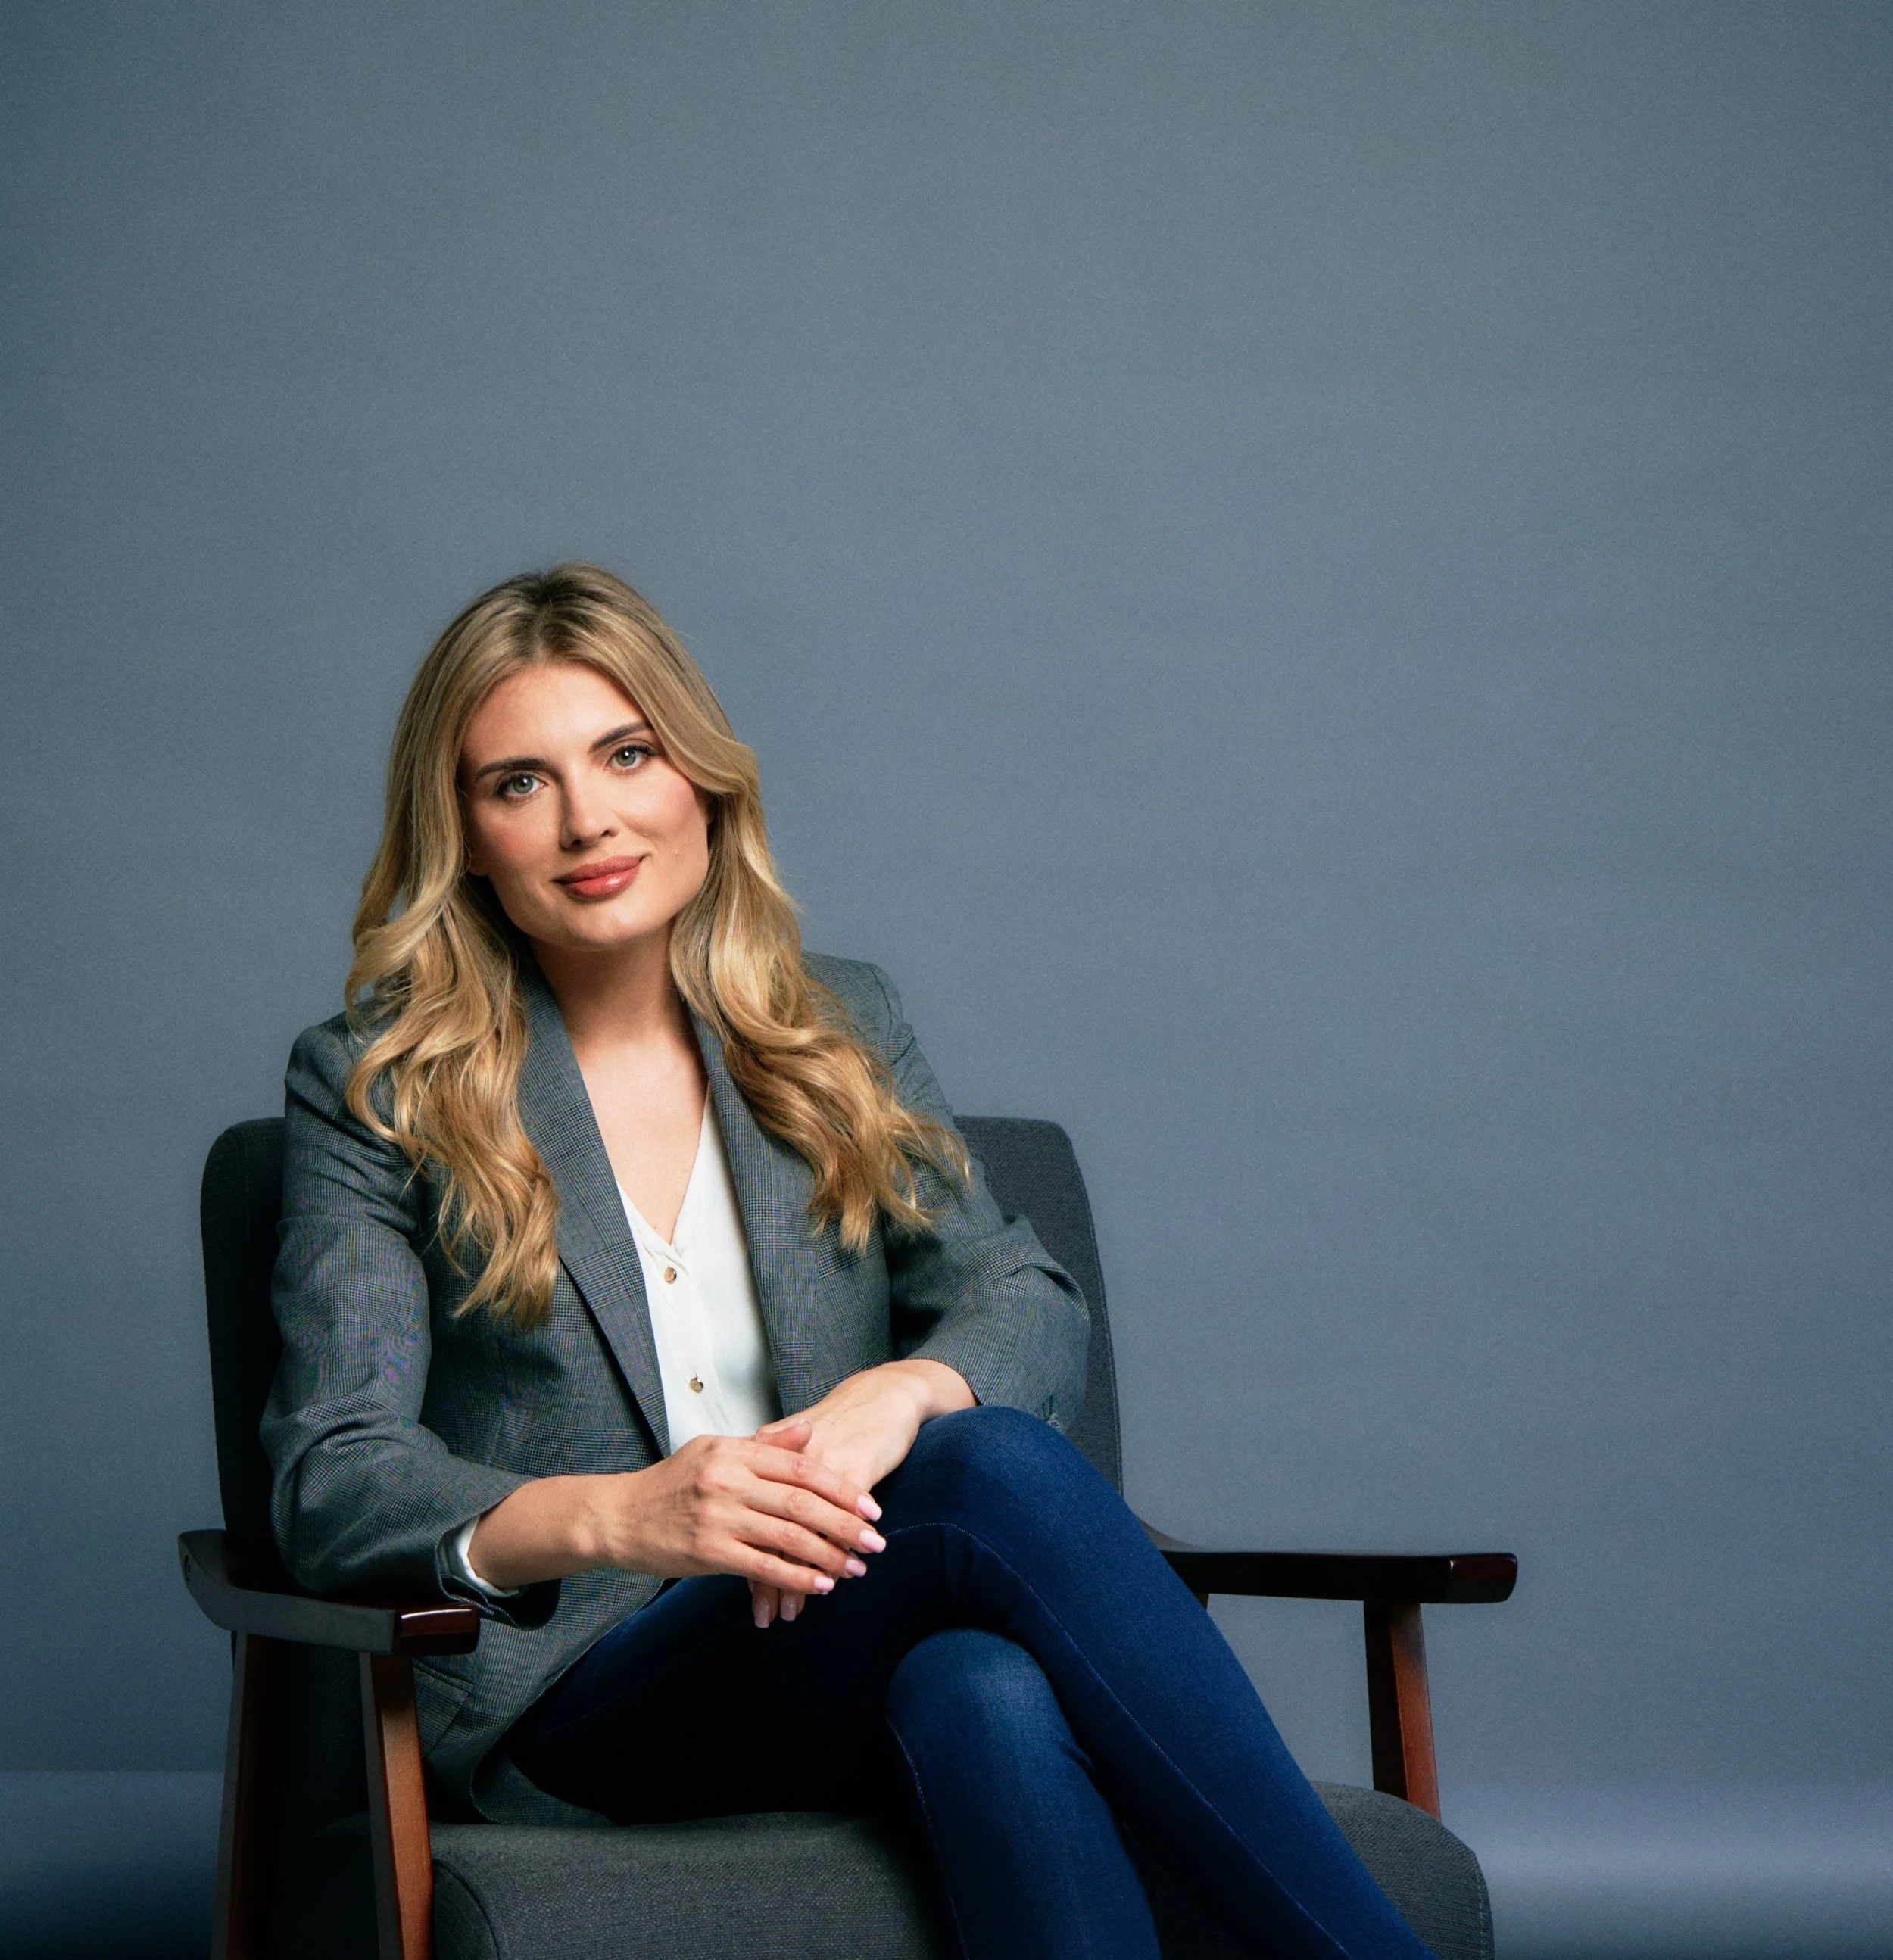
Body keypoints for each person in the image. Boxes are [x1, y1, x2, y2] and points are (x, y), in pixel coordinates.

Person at [265, 562, 1434, 1960]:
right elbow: (333, 1476)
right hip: (578, 1706)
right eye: (520, 782)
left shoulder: (834, 1026)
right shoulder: (382, 1086)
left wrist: (902, 1395)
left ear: (697, 775)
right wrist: (624, 1514)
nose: (589, 819)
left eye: (626, 755)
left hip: (831, 1652)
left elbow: (1023, 1299)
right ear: (462, 831)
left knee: (984, 1683)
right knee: (986, 1475)